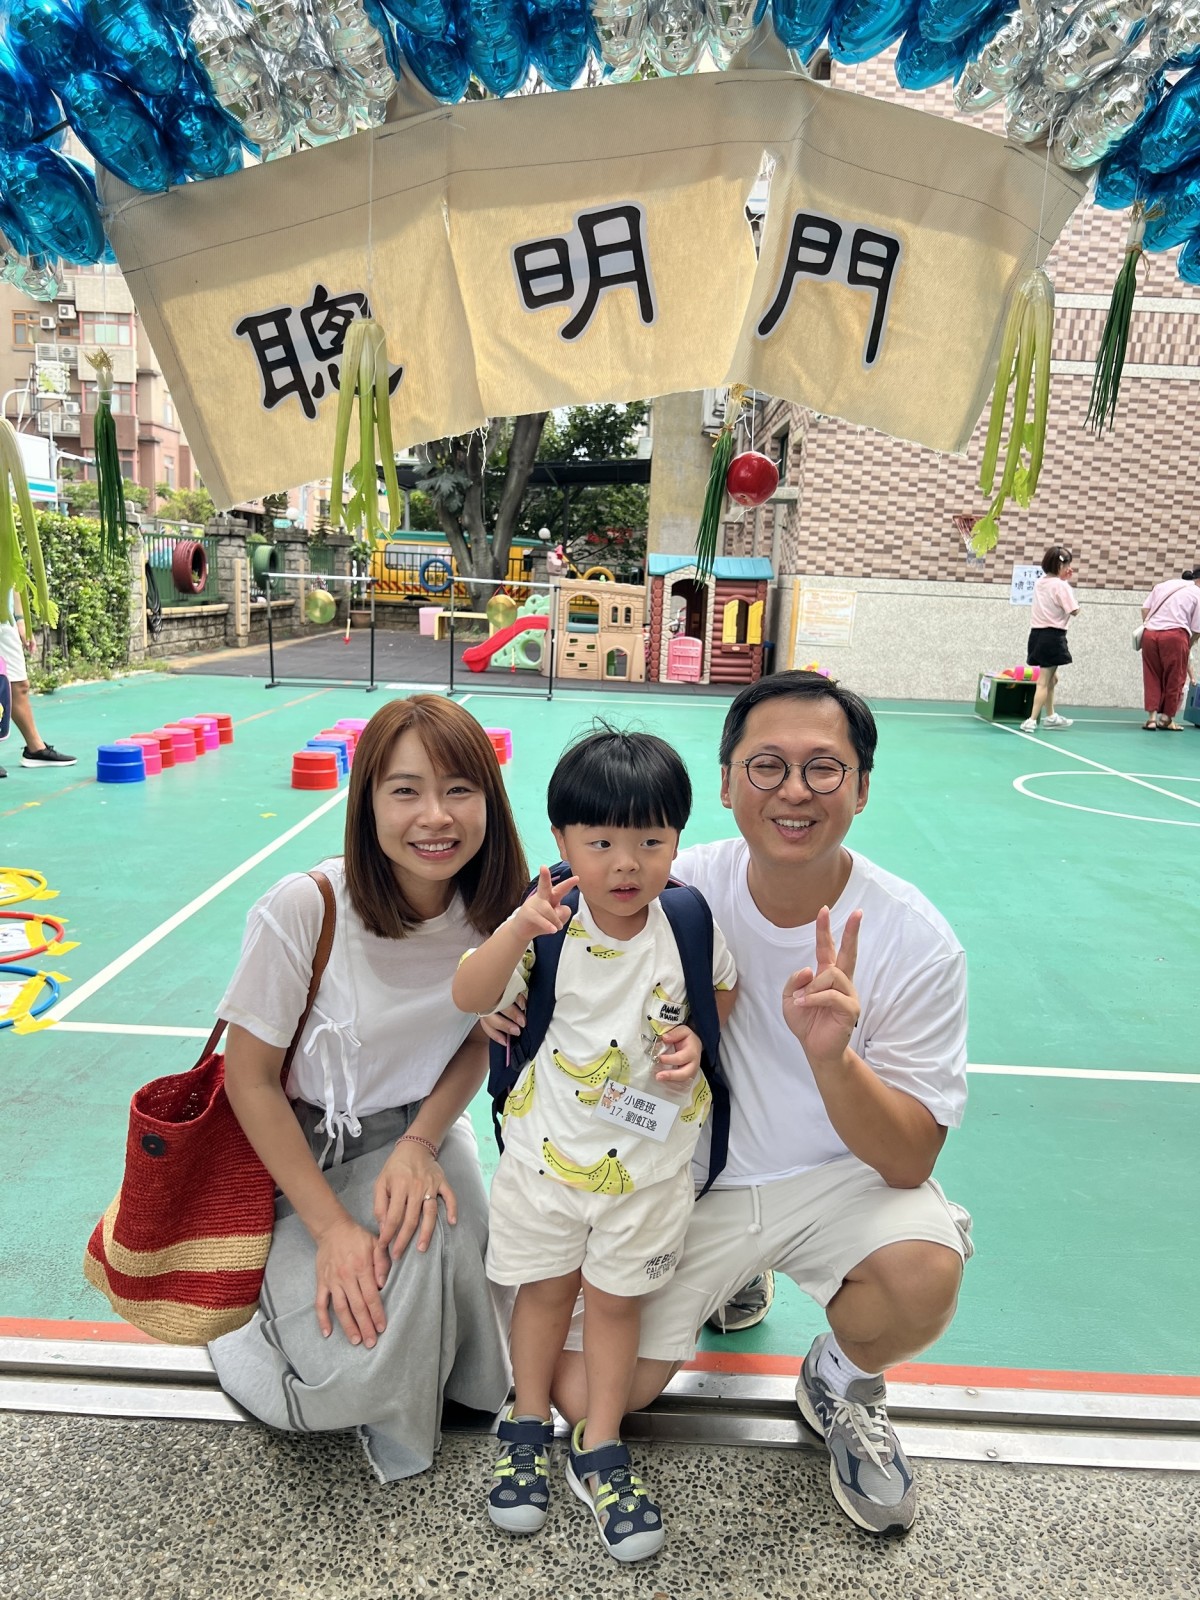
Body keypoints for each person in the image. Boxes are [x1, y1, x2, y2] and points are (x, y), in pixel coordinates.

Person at [490, 673, 972, 1537]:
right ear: (724, 782)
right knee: (581, 1396)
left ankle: (841, 1380)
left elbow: (908, 1160)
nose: (795, 791)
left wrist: (831, 1059)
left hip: (837, 1181)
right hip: (691, 1180)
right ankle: (737, 1275)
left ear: (862, 787)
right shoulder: (672, 888)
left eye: (824, 768)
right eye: (767, 765)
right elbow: (556, 907)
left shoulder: (915, 939)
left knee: (922, 1277)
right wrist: (503, 996)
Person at [208, 695, 528, 1482]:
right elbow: (249, 1080)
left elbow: (479, 1039)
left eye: (459, 789)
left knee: (454, 1282)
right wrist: (331, 1231)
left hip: (421, 1126)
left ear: (489, 800)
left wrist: (422, 1142)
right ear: (368, 803)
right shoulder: (307, 907)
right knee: (353, 1355)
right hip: (302, 1143)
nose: (435, 816)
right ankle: (251, 1329)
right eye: (406, 790)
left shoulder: (498, 916)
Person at [453, 728, 737, 1561]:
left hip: (648, 1173)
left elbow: (721, 991)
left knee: (617, 1305)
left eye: (650, 841)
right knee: (543, 1294)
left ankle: (601, 1443)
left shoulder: (686, 921)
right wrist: (517, 930)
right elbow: (468, 994)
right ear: (562, 840)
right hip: (545, 1164)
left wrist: (694, 1042)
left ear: (677, 840)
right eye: (602, 842)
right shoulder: (547, 924)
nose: (626, 864)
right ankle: (525, 1423)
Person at [0, 590, 76, 777]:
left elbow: (15, 582)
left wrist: (21, 620)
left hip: (5, 619)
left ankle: (35, 749)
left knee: (19, 685)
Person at [1021, 546, 1079, 733]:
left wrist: (1063, 579)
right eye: (1067, 565)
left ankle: (1051, 715)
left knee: (1053, 679)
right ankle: (1031, 720)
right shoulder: (1062, 586)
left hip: (1036, 635)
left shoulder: (1040, 583)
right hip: (1053, 636)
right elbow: (1074, 610)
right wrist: (1065, 583)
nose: (1069, 568)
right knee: (1044, 681)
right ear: (1061, 565)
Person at [1138, 565, 1200, 731]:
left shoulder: (1165, 585)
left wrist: (1152, 626)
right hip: (1175, 635)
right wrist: (1188, 644)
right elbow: (1197, 629)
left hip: (1150, 634)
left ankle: (1151, 719)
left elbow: (1145, 609)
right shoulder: (1197, 593)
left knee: (1151, 675)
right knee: (1175, 677)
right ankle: (1166, 719)